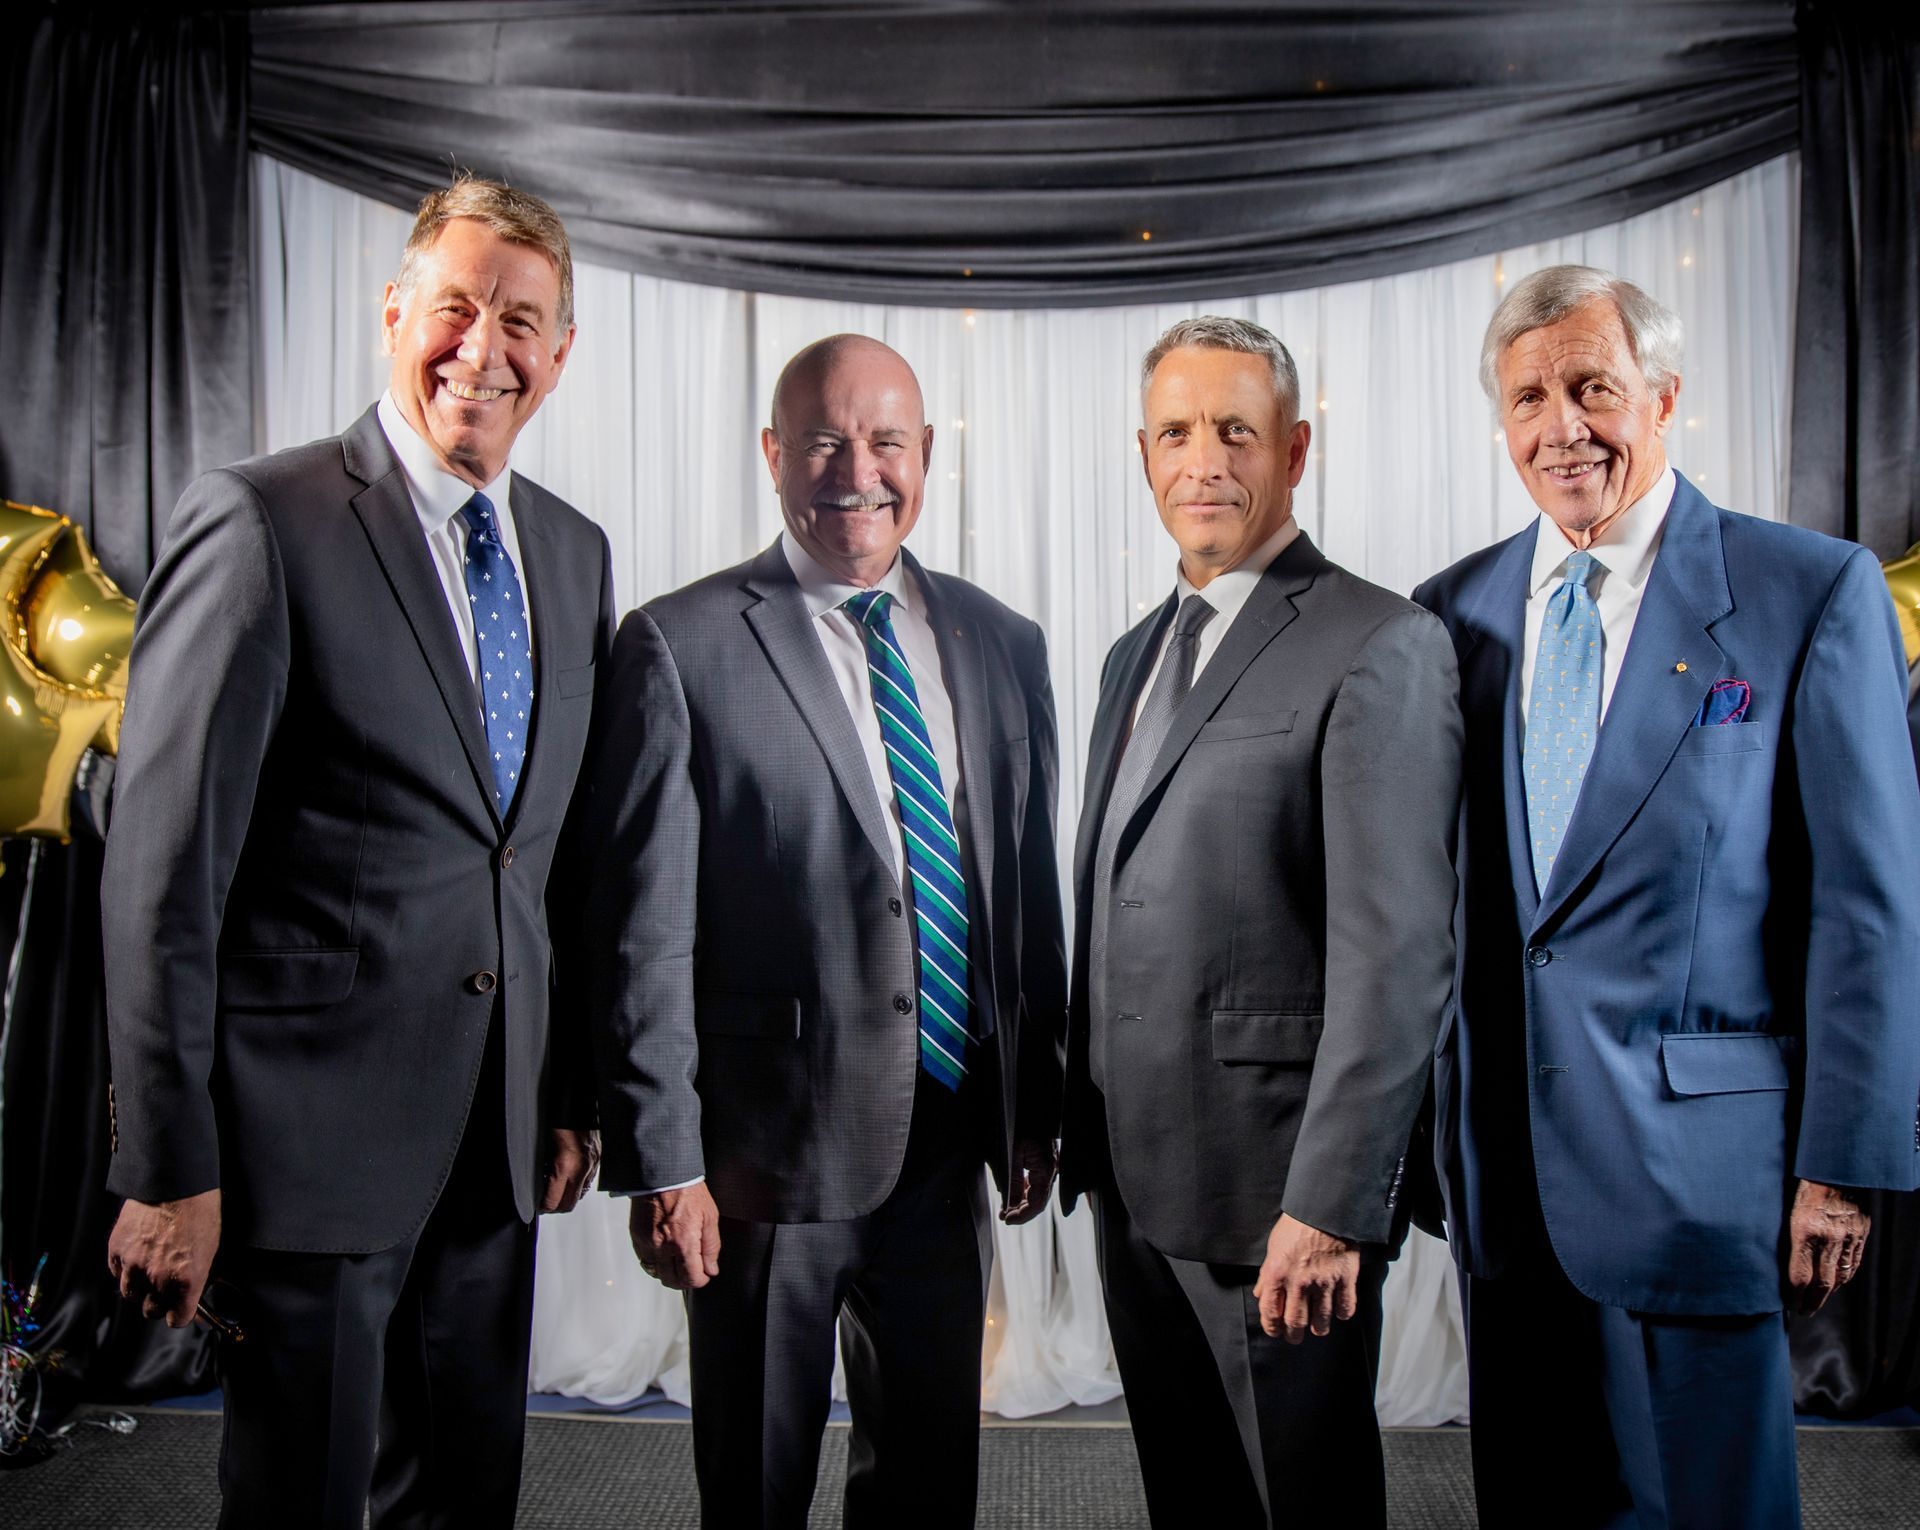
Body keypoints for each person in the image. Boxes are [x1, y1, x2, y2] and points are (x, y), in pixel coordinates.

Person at [101, 176, 613, 1529]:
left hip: (494, 1140)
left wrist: (567, 1089)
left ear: (558, 356)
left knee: (467, 1498)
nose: (482, 349)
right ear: (394, 313)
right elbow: (163, 871)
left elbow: (539, 860)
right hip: (308, 1137)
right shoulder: (262, 521)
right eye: (455, 307)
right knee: (306, 1502)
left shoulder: (573, 553)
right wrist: (168, 1160)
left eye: (522, 321)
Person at [1412, 264, 1920, 1529]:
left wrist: (1841, 1167)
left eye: (1594, 388)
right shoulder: (1450, 614)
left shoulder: (1811, 590)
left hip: (1706, 1169)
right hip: (1508, 1171)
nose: (1561, 426)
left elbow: (1866, 906)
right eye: (1529, 397)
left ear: (1666, 397)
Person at [567, 334, 1067, 1528]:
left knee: (931, 1488)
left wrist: (1033, 1107)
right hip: (759, 1163)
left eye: (887, 440)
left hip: (948, 1145)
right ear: (773, 453)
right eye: (826, 440)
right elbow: (640, 930)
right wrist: (667, 1158)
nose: (858, 470)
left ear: (927, 454)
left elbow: (1024, 896)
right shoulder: (679, 643)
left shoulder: (1004, 642)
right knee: (755, 1487)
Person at [1058, 316, 1462, 1529]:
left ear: (1296, 448)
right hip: (1136, 1175)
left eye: (1237, 430)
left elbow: (1399, 956)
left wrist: (1335, 1202)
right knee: (1194, 1499)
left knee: (1306, 1502)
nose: (1205, 461)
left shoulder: (1380, 640)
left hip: (1278, 1194)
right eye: (1176, 432)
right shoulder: (1137, 651)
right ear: (1143, 456)